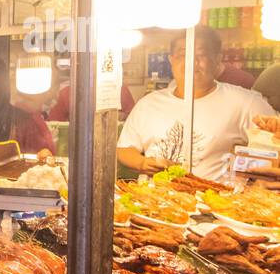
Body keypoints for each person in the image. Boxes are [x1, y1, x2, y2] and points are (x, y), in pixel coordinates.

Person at [116, 27, 276, 181]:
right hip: (153, 202)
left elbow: (274, 146)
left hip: (213, 203)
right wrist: (142, 163)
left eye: (201, 54)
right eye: (182, 55)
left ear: (217, 60)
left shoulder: (246, 102)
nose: (192, 61)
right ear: (171, 60)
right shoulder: (149, 103)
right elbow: (125, 148)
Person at [47, 82, 135, 121]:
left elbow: (133, 121)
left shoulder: (119, 90)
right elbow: (54, 125)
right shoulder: (67, 93)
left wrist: (121, 116)